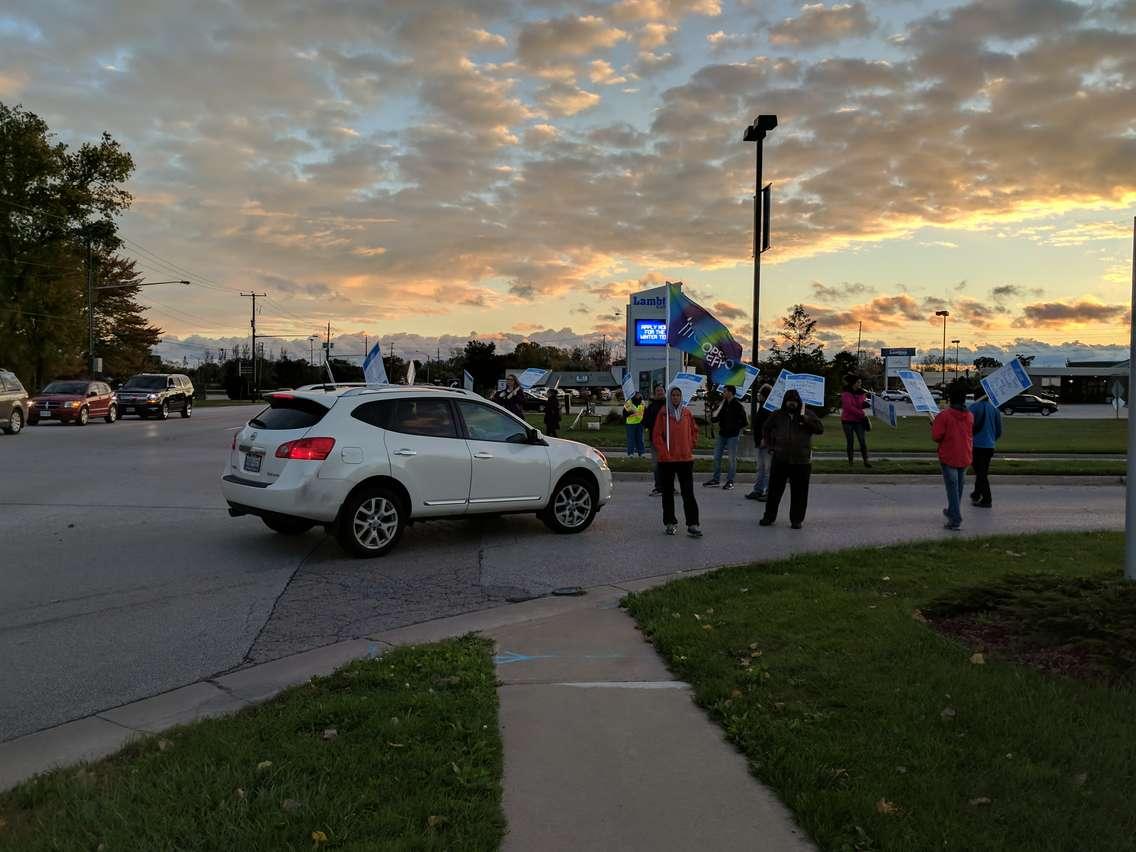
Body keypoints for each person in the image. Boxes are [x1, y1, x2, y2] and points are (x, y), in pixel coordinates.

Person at [759, 389, 824, 530]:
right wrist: (770, 445)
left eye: (794, 401)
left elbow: (820, 429)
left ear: (798, 402)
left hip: (801, 461)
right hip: (780, 458)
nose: (792, 404)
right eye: (789, 401)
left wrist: (806, 420)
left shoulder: (807, 414)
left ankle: (797, 519)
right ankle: (769, 516)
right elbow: (766, 428)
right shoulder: (777, 415)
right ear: (785, 401)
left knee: (799, 492)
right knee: (774, 490)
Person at [651, 386, 702, 537]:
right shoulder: (664, 413)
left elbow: (694, 430)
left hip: (685, 459)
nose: (675, 397)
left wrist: (690, 443)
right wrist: (663, 452)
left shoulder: (686, 412)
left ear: (681, 397)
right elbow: (657, 436)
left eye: (677, 395)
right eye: (672, 395)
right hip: (667, 460)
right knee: (667, 493)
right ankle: (670, 522)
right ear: (669, 397)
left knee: (688, 493)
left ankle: (692, 524)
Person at [932, 383, 974, 531]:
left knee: (952, 488)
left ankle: (955, 519)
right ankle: (952, 511)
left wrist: (934, 425)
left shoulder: (944, 415)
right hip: (965, 455)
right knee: (958, 488)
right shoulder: (969, 416)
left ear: (950, 399)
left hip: (949, 456)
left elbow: (937, 436)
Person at [704, 384, 747, 490]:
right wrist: (712, 417)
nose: (723, 393)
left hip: (732, 436)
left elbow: (744, 422)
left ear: (730, 392)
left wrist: (735, 428)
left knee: (731, 459)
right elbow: (717, 418)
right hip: (722, 434)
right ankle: (716, 479)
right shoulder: (723, 404)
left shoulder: (738, 406)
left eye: (725, 391)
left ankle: (730, 481)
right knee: (716, 457)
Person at [968, 395, 1002, 508]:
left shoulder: (973, 408)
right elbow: (999, 431)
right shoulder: (995, 409)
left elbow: (967, 426)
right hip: (989, 446)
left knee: (980, 473)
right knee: (982, 471)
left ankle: (987, 499)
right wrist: (992, 439)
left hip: (977, 445)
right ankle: (976, 493)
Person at [745, 383, 774, 501]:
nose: (758, 395)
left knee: (767, 469)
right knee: (761, 468)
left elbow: (768, 426)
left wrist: (764, 438)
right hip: (760, 442)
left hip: (766, 443)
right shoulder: (763, 406)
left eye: (760, 393)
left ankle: (768, 492)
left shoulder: (768, 409)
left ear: (764, 395)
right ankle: (758, 490)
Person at [840, 374, 872, 467]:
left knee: (862, 441)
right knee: (850, 441)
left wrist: (866, 404)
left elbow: (860, 404)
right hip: (847, 420)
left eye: (860, 382)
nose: (860, 384)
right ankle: (851, 462)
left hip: (859, 421)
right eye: (858, 382)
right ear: (853, 383)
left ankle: (866, 461)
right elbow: (848, 407)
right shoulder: (846, 393)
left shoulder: (862, 393)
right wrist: (861, 413)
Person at [642, 384, 667, 496]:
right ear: (654, 393)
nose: (660, 392)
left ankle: (669, 486)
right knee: (657, 464)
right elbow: (645, 422)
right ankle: (658, 487)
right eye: (658, 390)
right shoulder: (651, 407)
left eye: (661, 390)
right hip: (655, 440)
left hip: (668, 440)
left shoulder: (669, 405)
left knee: (669, 464)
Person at [623, 391, 647, 457]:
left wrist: (645, 422)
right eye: (637, 394)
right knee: (631, 439)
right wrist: (630, 412)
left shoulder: (642, 402)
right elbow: (624, 414)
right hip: (631, 424)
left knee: (640, 439)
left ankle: (641, 453)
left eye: (639, 393)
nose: (638, 395)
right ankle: (631, 453)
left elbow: (645, 413)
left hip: (640, 423)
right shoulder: (629, 402)